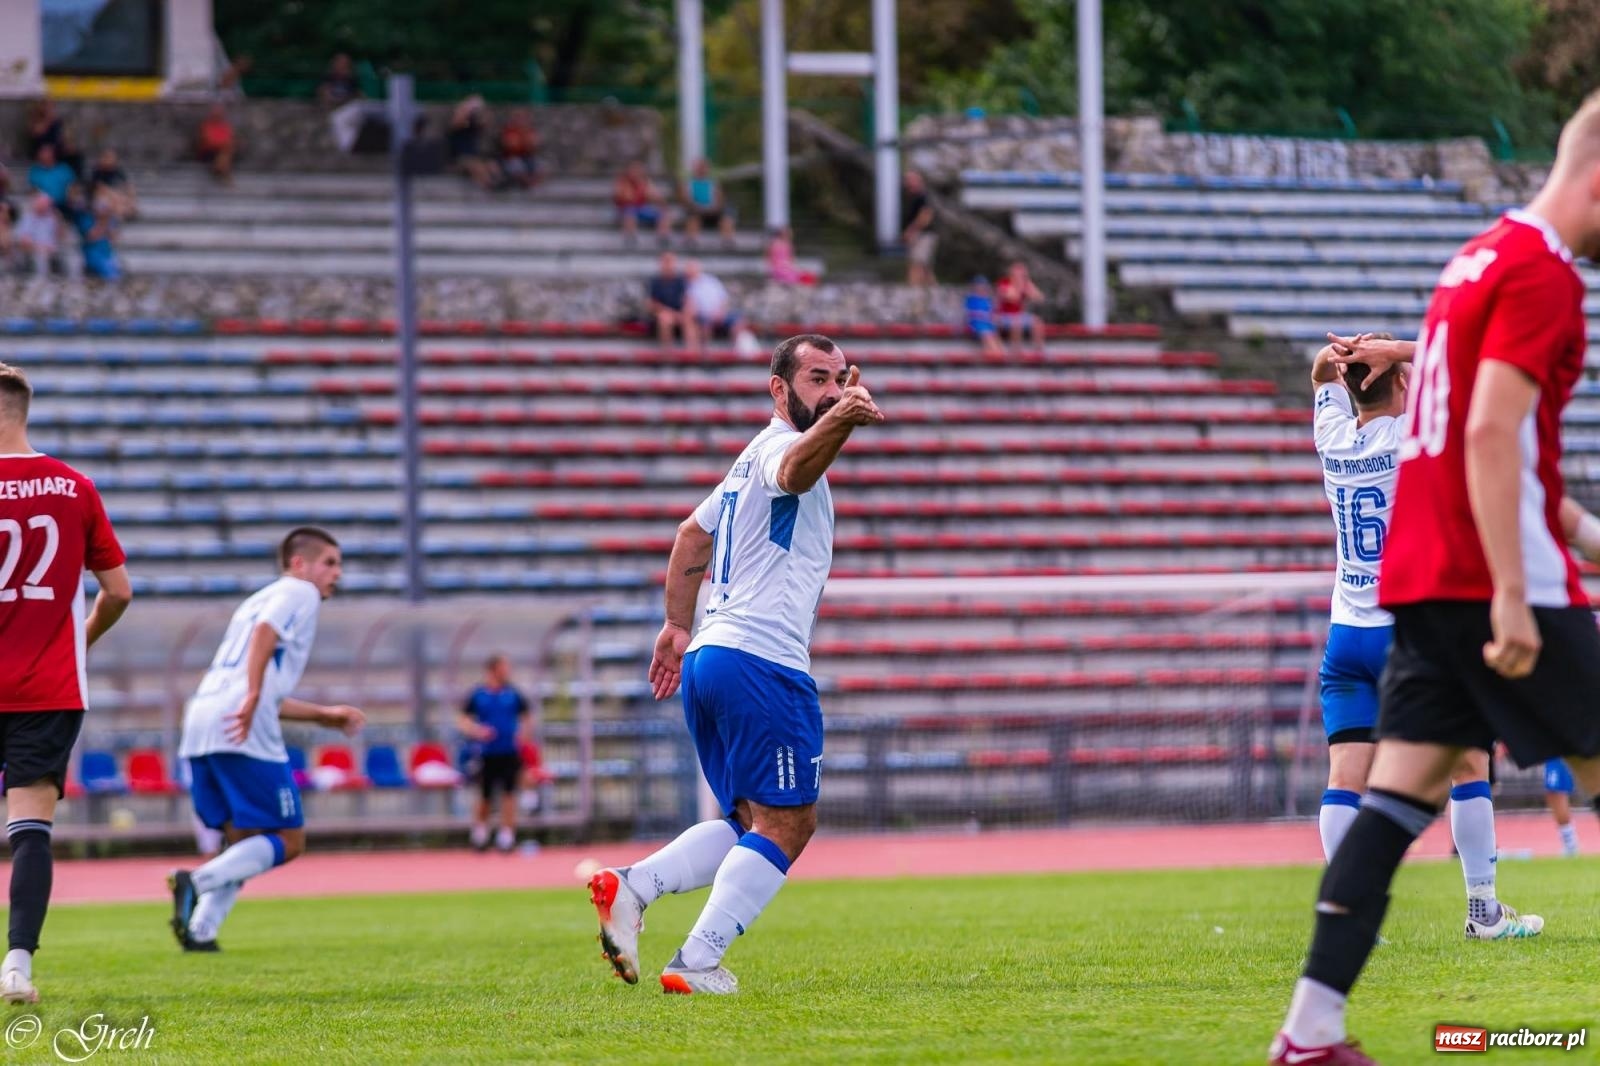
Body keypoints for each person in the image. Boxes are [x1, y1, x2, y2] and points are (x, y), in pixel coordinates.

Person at [1270, 91, 1600, 1066]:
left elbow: (1486, 445)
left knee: (1394, 794)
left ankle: (1309, 1033)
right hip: (1496, 578)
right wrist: (1510, 590)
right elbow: (1492, 433)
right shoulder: (1541, 277)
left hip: (1420, 584)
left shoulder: (1475, 259)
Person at [587, 334, 884, 994]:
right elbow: (797, 472)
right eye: (816, 379)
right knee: (789, 822)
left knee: (749, 821)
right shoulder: (780, 450)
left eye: (839, 379)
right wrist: (842, 418)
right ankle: (697, 959)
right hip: (760, 660)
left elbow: (691, 534)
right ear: (778, 388)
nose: (832, 390)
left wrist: (675, 624)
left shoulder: (747, 457)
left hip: (710, 657)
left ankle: (633, 888)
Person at [1310, 333, 1538, 932]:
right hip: (1403, 633)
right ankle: (1483, 910)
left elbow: (1318, 378)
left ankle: (1349, 918)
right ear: (1402, 383)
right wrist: (1397, 348)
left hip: (1345, 634)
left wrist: (1344, 356)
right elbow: (1463, 359)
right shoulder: (1410, 442)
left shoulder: (1332, 438)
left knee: (1344, 779)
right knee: (1468, 760)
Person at [0, 362, 132, 1005]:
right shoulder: (74, 486)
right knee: (29, 829)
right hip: (47, 688)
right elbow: (117, 592)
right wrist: (76, 639)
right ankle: (17, 967)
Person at [167, 528, 365, 952]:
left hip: (202, 717)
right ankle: (196, 881)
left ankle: (201, 931)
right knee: (289, 839)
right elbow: (265, 634)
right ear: (299, 564)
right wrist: (255, 694)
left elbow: (260, 676)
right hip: (243, 721)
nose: (337, 573)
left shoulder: (257, 597)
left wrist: (323, 715)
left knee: (243, 838)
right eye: (329, 562)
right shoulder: (299, 592)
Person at [458, 653, 530, 853]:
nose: (507, 671)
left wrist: (522, 737)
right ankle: (480, 834)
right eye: (503, 667)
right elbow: (463, 720)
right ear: (493, 670)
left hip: (508, 752)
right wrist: (477, 731)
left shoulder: (513, 693)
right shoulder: (478, 694)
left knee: (509, 793)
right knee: (485, 795)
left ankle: (506, 836)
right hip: (486, 752)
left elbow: (526, 718)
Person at [447, 95, 501, 191]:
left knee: (492, 165)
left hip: (474, 156)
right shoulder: (456, 124)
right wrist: (467, 106)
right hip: (460, 157)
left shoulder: (473, 123)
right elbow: (457, 121)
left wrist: (479, 107)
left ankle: (500, 183)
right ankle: (489, 186)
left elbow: (485, 122)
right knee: (477, 166)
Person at [680, 158, 734, 247]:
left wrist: (715, 208)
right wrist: (697, 207)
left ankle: (727, 240)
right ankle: (691, 240)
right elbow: (686, 200)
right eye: (699, 168)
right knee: (693, 218)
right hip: (696, 211)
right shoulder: (688, 184)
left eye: (704, 168)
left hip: (712, 212)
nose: (701, 170)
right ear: (695, 169)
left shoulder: (714, 184)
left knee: (727, 219)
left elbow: (720, 201)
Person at [614, 161, 670, 245]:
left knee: (663, 213)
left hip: (642, 209)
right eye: (634, 170)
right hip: (626, 210)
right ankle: (630, 237)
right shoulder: (622, 182)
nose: (636, 172)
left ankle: (663, 237)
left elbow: (657, 197)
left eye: (638, 170)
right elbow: (625, 197)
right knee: (630, 212)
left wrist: (657, 198)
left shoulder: (645, 182)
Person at [994, 261, 1045, 352]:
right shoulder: (1004, 283)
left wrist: (1031, 289)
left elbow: (1040, 298)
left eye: (1022, 273)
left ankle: (1038, 350)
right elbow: (1012, 298)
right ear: (1011, 273)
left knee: (1037, 321)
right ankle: (1016, 351)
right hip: (1003, 316)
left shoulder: (1025, 284)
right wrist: (1021, 287)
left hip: (1019, 315)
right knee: (1016, 322)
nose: (1021, 275)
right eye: (1018, 272)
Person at [647, 251, 689, 348]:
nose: (668, 265)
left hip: (678, 314)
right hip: (661, 314)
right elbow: (652, 304)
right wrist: (670, 313)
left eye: (671, 262)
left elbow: (687, 299)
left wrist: (684, 313)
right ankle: (668, 353)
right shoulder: (655, 281)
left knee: (690, 320)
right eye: (666, 262)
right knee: (665, 319)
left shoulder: (681, 281)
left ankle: (692, 354)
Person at [901, 170, 936, 286]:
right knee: (925, 268)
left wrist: (912, 230)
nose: (906, 182)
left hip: (923, 235)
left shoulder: (923, 196)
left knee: (916, 265)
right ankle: (933, 294)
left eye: (909, 180)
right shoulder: (914, 196)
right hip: (922, 235)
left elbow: (926, 215)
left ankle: (914, 293)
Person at [1542, 758, 1580, 856]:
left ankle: (1570, 845)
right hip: (1553, 751)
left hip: (1559, 750)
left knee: (1555, 791)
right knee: (1553, 792)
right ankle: (1570, 844)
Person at [14, 193, 59, 277]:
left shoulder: (51, 219)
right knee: (41, 257)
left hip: (51, 249)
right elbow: (23, 239)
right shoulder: (27, 218)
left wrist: (58, 221)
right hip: (34, 249)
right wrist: (39, 247)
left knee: (74, 258)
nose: (44, 206)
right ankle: (41, 283)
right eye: (41, 204)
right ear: (35, 204)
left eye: (46, 204)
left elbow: (56, 237)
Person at [497, 109, 541, 190]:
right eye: (519, 118)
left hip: (527, 157)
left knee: (541, 166)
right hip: (511, 158)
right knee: (517, 165)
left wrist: (525, 141)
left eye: (524, 118)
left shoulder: (530, 130)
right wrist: (525, 141)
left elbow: (534, 145)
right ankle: (527, 184)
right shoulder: (509, 130)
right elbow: (511, 146)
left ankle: (533, 185)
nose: (521, 120)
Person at [88, 147, 136, 220]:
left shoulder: (118, 170)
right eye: (107, 157)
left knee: (125, 203)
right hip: (100, 199)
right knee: (111, 202)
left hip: (116, 198)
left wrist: (130, 197)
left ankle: (122, 213)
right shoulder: (97, 171)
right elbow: (101, 189)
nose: (110, 160)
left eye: (112, 157)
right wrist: (117, 196)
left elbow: (127, 185)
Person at [196, 104, 236, 185]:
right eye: (215, 114)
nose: (217, 116)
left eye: (219, 114)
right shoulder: (206, 126)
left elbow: (230, 139)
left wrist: (225, 144)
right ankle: (223, 174)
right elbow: (207, 141)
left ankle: (219, 169)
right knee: (225, 153)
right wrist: (222, 144)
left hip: (223, 151)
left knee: (225, 153)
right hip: (209, 152)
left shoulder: (225, 126)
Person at [965, 276, 1004, 356]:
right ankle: (993, 354)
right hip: (977, 323)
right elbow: (970, 313)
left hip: (987, 323)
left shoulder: (987, 300)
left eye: (983, 286)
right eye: (979, 286)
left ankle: (997, 352)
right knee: (987, 335)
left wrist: (994, 316)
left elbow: (992, 311)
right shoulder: (971, 299)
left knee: (995, 335)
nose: (981, 288)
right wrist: (984, 315)